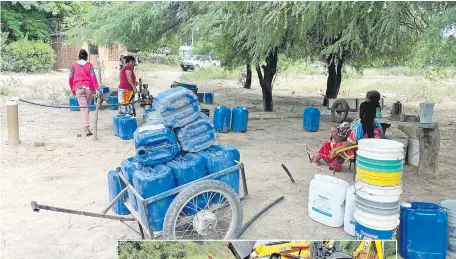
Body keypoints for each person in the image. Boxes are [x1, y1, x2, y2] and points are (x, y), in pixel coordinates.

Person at [306, 93, 383, 172]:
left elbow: (348, 144)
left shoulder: (359, 127)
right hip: (369, 153)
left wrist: (335, 149)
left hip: (355, 151)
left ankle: (315, 159)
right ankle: (319, 156)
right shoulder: (378, 126)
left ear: (362, 113)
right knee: (335, 144)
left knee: (328, 145)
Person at [69, 49, 99, 136]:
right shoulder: (89, 65)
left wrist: (72, 89)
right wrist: (96, 88)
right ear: (86, 57)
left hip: (78, 88)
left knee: (84, 108)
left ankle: (86, 127)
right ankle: (86, 126)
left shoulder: (73, 65)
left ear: (79, 56)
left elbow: (70, 78)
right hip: (88, 88)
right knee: (86, 107)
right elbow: (93, 77)